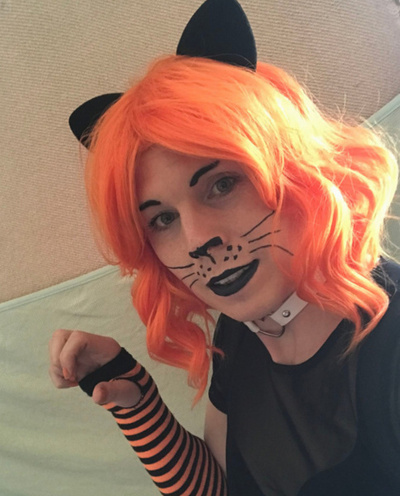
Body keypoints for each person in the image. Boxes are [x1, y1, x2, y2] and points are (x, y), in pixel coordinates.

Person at [48, 0, 400, 494]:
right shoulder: (239, 333)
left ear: (295, 167)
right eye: (162, 219)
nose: (198, 242)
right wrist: (137, 403)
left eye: (222, 185)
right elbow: (218, 488)